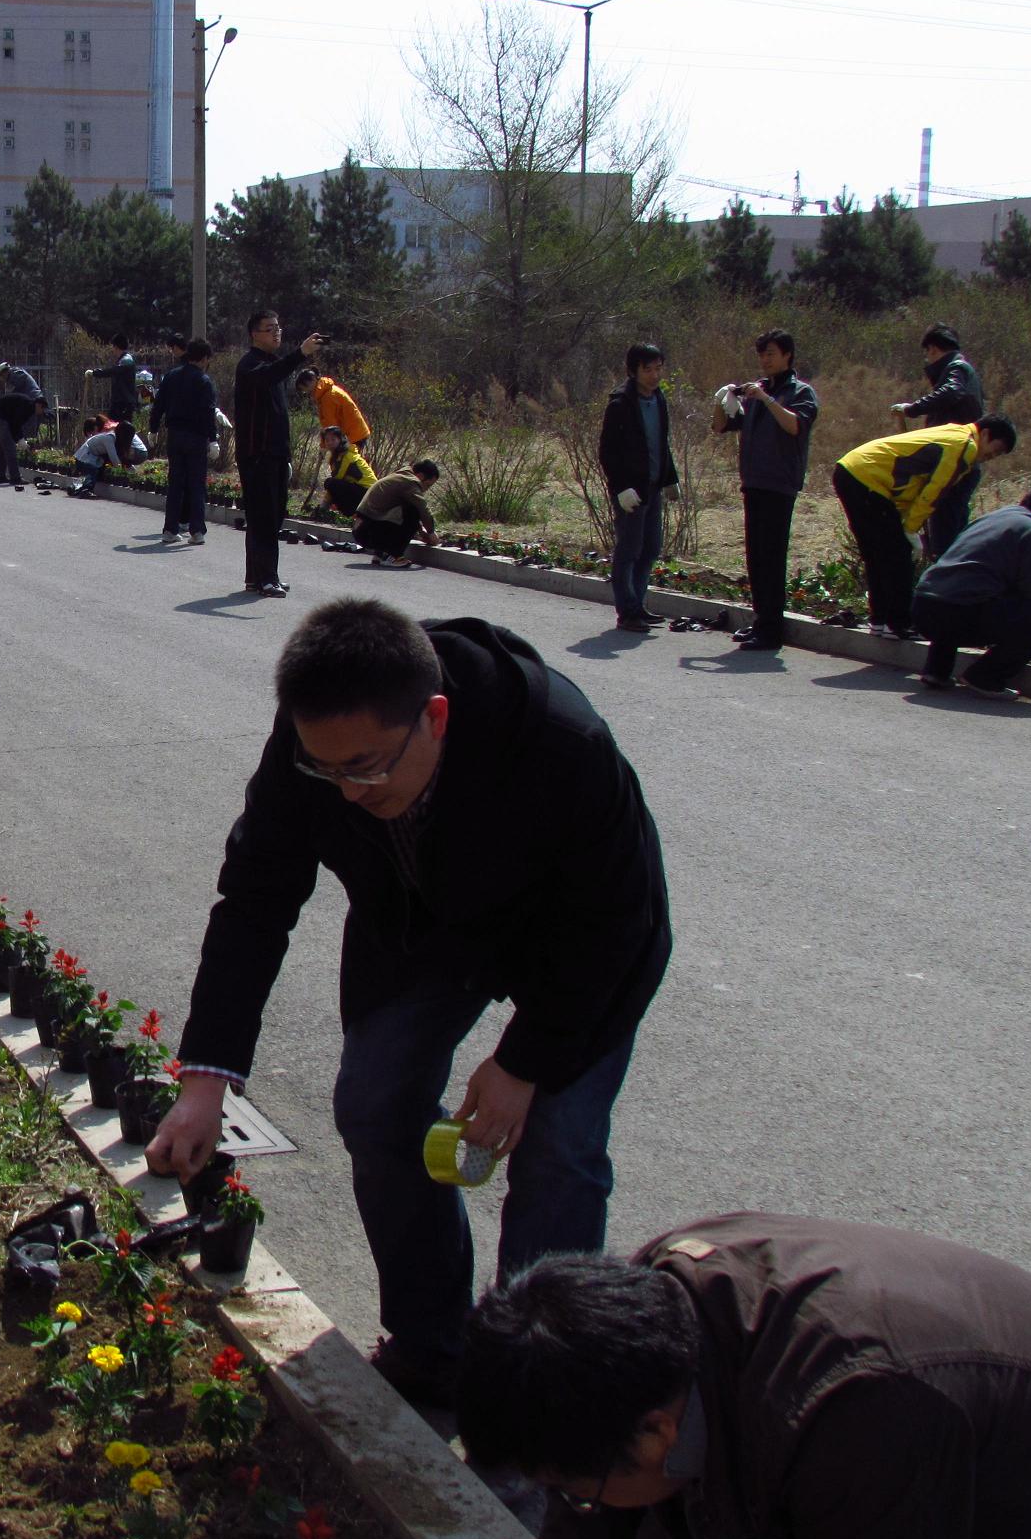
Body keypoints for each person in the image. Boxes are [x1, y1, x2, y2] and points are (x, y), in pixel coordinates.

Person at [148, 598, 670, 1406]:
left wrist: (523, 1062)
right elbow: (255, 897)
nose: (348, 792)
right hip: (423, 930)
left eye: (366, 768)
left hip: (576, 947)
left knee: (558, 1148)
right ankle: (433, 1344)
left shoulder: (560, 744)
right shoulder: (317, 745)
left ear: (436, 717)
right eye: (327, 771)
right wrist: (205, 1078)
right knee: (376, 1102)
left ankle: (539, 1391)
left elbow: (614, 923)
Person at [458, 1213, 1031, 1539]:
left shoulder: (861, 1413)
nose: (574, 1503)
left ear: (657, 1432)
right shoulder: (635, 1320)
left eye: (575, 1491)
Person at [833, 414, 1014, 640]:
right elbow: (934, 492)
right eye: (995, 449)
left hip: (853, 471)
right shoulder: (964, 446)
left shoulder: (954, 432)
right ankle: (898, 624)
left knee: (877, 555)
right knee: (898, 555)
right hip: (868, 479)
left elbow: (914, 483)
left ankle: (880, 620)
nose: (991, 457)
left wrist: (906, 524)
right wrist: (911, 529)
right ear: (985, 434)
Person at [912, 487, 1031, 701]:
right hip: (959, 615)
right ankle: (985, 677)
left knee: (961, 594)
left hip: (923, 607)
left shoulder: (989, 519)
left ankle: (937, 670)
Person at [712, 329, 820, 653]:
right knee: (755, 558)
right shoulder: (756, 391)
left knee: (772, 558)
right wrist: (722, 400)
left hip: (780, 485)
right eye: (761, 354)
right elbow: (721, 426)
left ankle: (772, 630)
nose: (765, 360)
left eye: (771, 353)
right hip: (754, 482)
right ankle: (761, 622)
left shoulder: (800, 392)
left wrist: (766, 399)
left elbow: (795, 426)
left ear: (787, 355)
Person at [236, 310, 325, 598]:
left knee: (270, 517)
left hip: (275, 454)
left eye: (278, 328)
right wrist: (300, 353)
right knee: (264, 518)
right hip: (257, 455)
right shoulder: (250, 365)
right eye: (269, 329)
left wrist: (286, 456)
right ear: (254, 334)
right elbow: (270, 376)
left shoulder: (272, 364)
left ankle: (256, 576)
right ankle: (266, 578)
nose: (276, 333)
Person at [597, 344, 681, 633]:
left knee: (650, 547)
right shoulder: (620, 404)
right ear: (633, 371)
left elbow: (661, 443)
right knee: (629, 548)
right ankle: (627, 611)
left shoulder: (658, 399)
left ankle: (638, 603)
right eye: (648, 370)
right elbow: (607, 451)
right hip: (630, 490)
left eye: (658, 368)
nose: (655, 375)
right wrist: (621, 487)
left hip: (652, 485)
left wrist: (670, 478)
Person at [891, 323, 987, 561]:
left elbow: (951, 392)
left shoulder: (957, 368)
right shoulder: (964, 369)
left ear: (933, 349)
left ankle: (947, 575)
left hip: (955, 464)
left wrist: (912, 409)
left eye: (928, 353)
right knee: (949, 532)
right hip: (959, 463)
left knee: (946, 537)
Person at [151, 338, 218, 546]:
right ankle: (196, 531)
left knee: (175, 483)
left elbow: (158, 404)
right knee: (196, 484)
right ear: (204, 358)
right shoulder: (204, 381)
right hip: (196, 437)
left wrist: (153, 429)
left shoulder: (171, 376)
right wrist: (213, 439)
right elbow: (208, 412)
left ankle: (169, 529)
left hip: (175, 435)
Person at [354, 459, 439, 566]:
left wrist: (422, 533)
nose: (426, 489)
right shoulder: (409, 482)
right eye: (428, 485)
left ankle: (381, 555)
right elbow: (423, 509)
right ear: (420, 476)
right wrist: (431, 532)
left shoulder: (400, 476)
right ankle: (394, 556)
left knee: (407, 510)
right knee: (413, 511)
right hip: (367, 532)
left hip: (363, 529)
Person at [0, 360, 45, 485]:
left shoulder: (16, 375)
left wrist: (19, 438)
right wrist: (20, 440)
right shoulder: (27, 406)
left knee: (4, 447)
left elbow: (15, 423)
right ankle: (15, 478)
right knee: (10, 447)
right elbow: (15, 423)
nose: (41, 413)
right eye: (42, 409)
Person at [294, 366, 371, 456]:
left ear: (311, 381)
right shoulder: (324, 394)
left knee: (348, 463)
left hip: (354, 435)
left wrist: (324, 446)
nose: (306, 392)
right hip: (353, 434)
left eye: (304, 388)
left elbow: (331, 426)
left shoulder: (328, 396)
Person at [72, 418, 140, 499]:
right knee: (93, 470)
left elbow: (122, 459)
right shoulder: (109, 438)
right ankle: (86, 490)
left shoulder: (116, 440)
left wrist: (134, 473)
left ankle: (77, 488)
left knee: (99, 470)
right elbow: (114, 459)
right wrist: (123, 473)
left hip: (93, 459)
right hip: (84, 458)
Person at [319, 424, 376, 516]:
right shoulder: (337, 457)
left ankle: (353, 514)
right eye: (327, 440)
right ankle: (352, 514)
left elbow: (336, 480)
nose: (330, 443)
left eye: (333, 439)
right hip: (361, 491)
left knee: (331, 483)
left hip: (369, 494)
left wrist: (323, 506)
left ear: (341, 440)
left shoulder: (346, 456)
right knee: (332, 484)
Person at [88, 334, 140, 424]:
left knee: (119, 428)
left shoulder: (126, 360)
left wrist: (95, 373)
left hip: (123, 403)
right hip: (119, 402)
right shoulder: (123, 359)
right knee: (112, 426)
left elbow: (114, 371)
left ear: (116, 347)